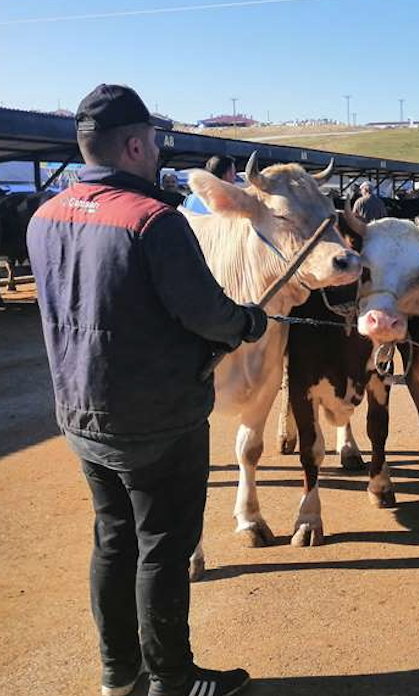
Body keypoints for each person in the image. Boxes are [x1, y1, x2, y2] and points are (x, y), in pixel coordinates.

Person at [26, 84, 267, 696]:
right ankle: (172, 678)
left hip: (81, 411)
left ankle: (119, 674)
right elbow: (206, 313)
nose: (158, 152)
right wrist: (248, 321)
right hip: (158, 418)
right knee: (162, 546)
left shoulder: (45, 214)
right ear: (133, 144)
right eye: (155, 141)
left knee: (113, 540)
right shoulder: (153, 220)